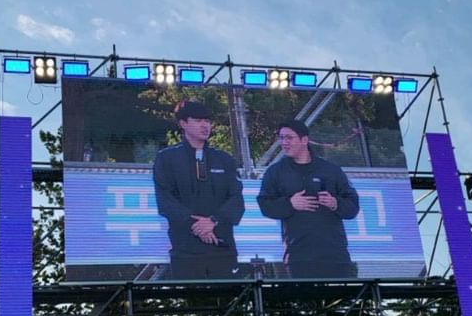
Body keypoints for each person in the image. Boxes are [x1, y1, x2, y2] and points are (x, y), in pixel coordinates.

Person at [256, 119, 359, 278]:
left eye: (289, 138)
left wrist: (335, 203)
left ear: (304, 140)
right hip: (298, 256)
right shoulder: (275, 172)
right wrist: (290, 204)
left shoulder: (331, 170)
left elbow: (353, 206)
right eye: (281, 138)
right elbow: (265, 205)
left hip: (335, 255)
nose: (284, 142)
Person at [153, 101, 245, 279]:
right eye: (198, 120)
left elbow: (236, 201)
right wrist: (198, 226)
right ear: (183, 123)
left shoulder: (224, 159)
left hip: (222, 248)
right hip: (185, 251)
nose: (205, 125)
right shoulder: (167, 158)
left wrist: (213, 221)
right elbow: (166, 202)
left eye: (207, 121)